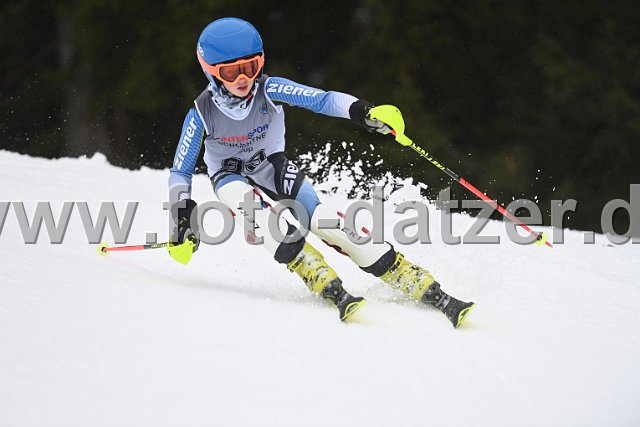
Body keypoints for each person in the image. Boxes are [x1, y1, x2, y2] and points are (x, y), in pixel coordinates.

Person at [168, 17, 474, 327]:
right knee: (252, 210)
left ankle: (401, 270)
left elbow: (322, 99)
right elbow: (180, 171)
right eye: (231, 72)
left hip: (270, 165)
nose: (244, 78)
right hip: (228, 174)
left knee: (319, 217)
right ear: (211, 71)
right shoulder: (201, 113)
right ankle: (310, 268)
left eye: (251, 66)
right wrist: (181, 216)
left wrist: (364, 112)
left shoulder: (269, 88)